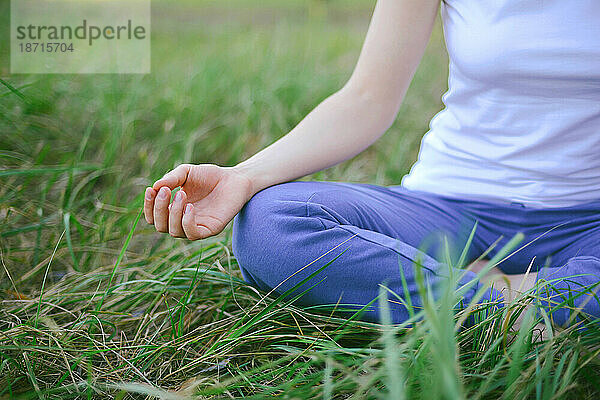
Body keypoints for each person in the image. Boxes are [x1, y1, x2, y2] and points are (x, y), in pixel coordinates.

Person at [143, 0, 600, 326]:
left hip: (589, 221)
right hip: (449, 207)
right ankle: (530, 303)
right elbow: (367, 98)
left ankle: (482, 302)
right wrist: (243, 177)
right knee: (269, 226)